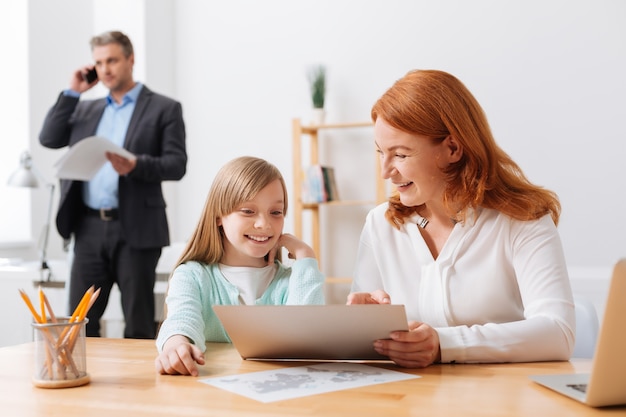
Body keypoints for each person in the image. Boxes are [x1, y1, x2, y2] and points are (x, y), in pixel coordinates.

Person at [347, 69, 575, 368]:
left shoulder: (522, 220)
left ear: (452, 148)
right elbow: (365, 346)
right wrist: (361, 324)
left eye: (400, 155)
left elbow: (558, 332)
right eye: (381, 153)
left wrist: (444, 344)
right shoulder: (381, 225)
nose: (385, 171)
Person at [39, 30, 187, 339]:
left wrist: (136, 165)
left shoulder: (164, 108)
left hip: (138, 229)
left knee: (139, 322)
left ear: (130, 60)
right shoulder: (85, 109)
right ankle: (82, 383)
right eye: (99, 62)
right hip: (89, 228)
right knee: (79, 324)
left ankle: (143, 387)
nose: (105, 68)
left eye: (112, 60)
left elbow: (177, 165)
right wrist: (72, 92)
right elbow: (49, 138)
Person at [155, 156, 325, 376]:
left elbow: (308, 340)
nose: (264, 224)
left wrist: (305, 257)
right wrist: (176, 344)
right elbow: (181, 320)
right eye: (248, 211)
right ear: (218, 216)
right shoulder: (193, 275)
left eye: (276, 212)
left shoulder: (293, 281)